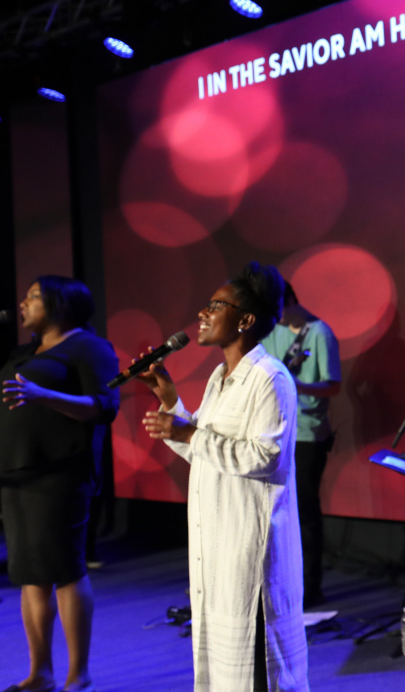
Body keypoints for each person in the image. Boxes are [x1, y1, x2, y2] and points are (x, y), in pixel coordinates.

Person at [139, 262, 308, 692]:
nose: (202, 313)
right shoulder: (220, 377)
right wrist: (172, 405)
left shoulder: (270, 378)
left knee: (257, 671)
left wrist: (189, 432)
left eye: (215, 306)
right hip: (218, 547)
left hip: (249, 551)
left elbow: (265, 457)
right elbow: (206, 451)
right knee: (224, 671)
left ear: (246, 320)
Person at [0, 277, 118, 692]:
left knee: (65, 571)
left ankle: (78, 676)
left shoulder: (90, 347)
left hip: (60, 474)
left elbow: (105, 406)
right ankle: (40, 673)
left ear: (60, 304)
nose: (23, 303)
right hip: (15, 473)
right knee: (31, 575)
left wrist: (43, 394)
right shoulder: (24, 352)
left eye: (33, 296)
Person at [261, 281, 340, 609]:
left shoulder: (320, 333)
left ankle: (311, 587)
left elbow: (332, 386)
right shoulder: (274, 331)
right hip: (276, 431)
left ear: (290, 300)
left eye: (278, 308)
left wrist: (297, 386)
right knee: (277, 512)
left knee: (306, 510)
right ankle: (283, 584)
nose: (276, 316)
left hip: (308, 433)